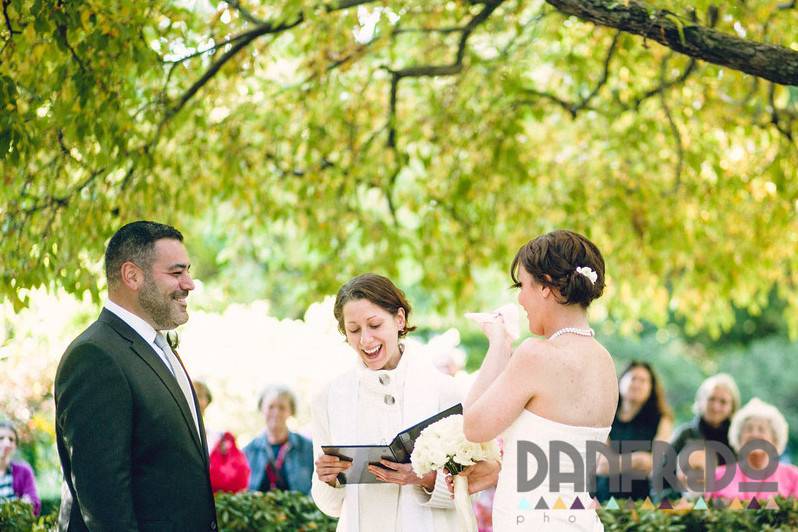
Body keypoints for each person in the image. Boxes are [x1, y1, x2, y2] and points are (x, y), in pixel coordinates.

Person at [54, 221, 217, 531]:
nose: (190, 283)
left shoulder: (158, 345)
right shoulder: (95, 357)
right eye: (176, 272)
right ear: (132, 275)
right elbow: (104, 504)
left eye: (188, 271)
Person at [463, 230, 619, 531]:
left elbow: (473, 426)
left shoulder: (537, 354)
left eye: (522, 286)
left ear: (546, 286)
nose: (521, 299)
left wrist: (499, 343)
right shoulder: (605, 363)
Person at [311, 273, 463, 531]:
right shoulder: (329, 398)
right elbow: (330, 506)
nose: (365, 340)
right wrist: (327, 480)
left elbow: (473, 490)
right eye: (354, 330)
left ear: (399, 320)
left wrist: (424, 478)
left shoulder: (444, 391)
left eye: (375, 325)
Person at [594, 361, 673, 502]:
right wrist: (638, 460)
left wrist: (616, 462)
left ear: (651, 387)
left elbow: (656, 465)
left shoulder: (662, 420)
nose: (637, 384)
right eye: (633, 378)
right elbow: (601, 466)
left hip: (642, 502)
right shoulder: (604, 415)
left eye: (643, 380)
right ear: (620, 381)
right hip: (602, 499)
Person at [654, 373, 740, 499]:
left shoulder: (737, 440)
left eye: (723, 402)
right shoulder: (684, 435)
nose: (716, 407)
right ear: (701, 401)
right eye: (711, 399)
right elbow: (658, 481)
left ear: (732, 407)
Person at [707, 397, 798, 501]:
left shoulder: (793, 476)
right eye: (749, 429)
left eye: (761, 429)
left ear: (774, 439)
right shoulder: (717, 476)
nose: (754, 434)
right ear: (739, 438)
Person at [244, 385, 313, 495]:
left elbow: (317, 489)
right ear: (262, 409)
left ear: (291, 411)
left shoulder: (308, 448)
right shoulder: (249, 451)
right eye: (271, 407)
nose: (276, 412)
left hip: (298, 511)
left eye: (282, 407)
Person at [194, 380, 251, 494]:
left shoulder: (222, 440)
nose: (194, 400)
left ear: (207, 401)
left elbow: (239, 479)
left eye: (199, 395)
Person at [0, 420, 40, 516]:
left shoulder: (24, 471)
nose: (6, 443)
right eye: (1, 438)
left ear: (15, 445)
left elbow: (35, 503)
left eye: (11, 439)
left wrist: (27, 502)